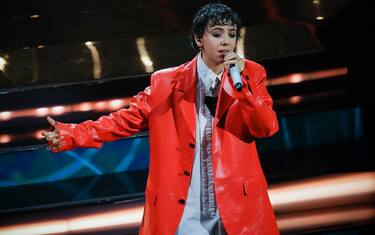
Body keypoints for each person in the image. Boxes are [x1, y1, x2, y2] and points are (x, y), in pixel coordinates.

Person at [42, 3, 279, 235]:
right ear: (199, 39)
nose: (226, 41)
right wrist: (72, 134)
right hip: (186, 206)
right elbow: (123, 120)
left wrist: (243, 90)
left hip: (237, 204)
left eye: (232, 35)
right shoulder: (166, 82)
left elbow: (266, 127)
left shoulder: (251, 74)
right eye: (216, 34)